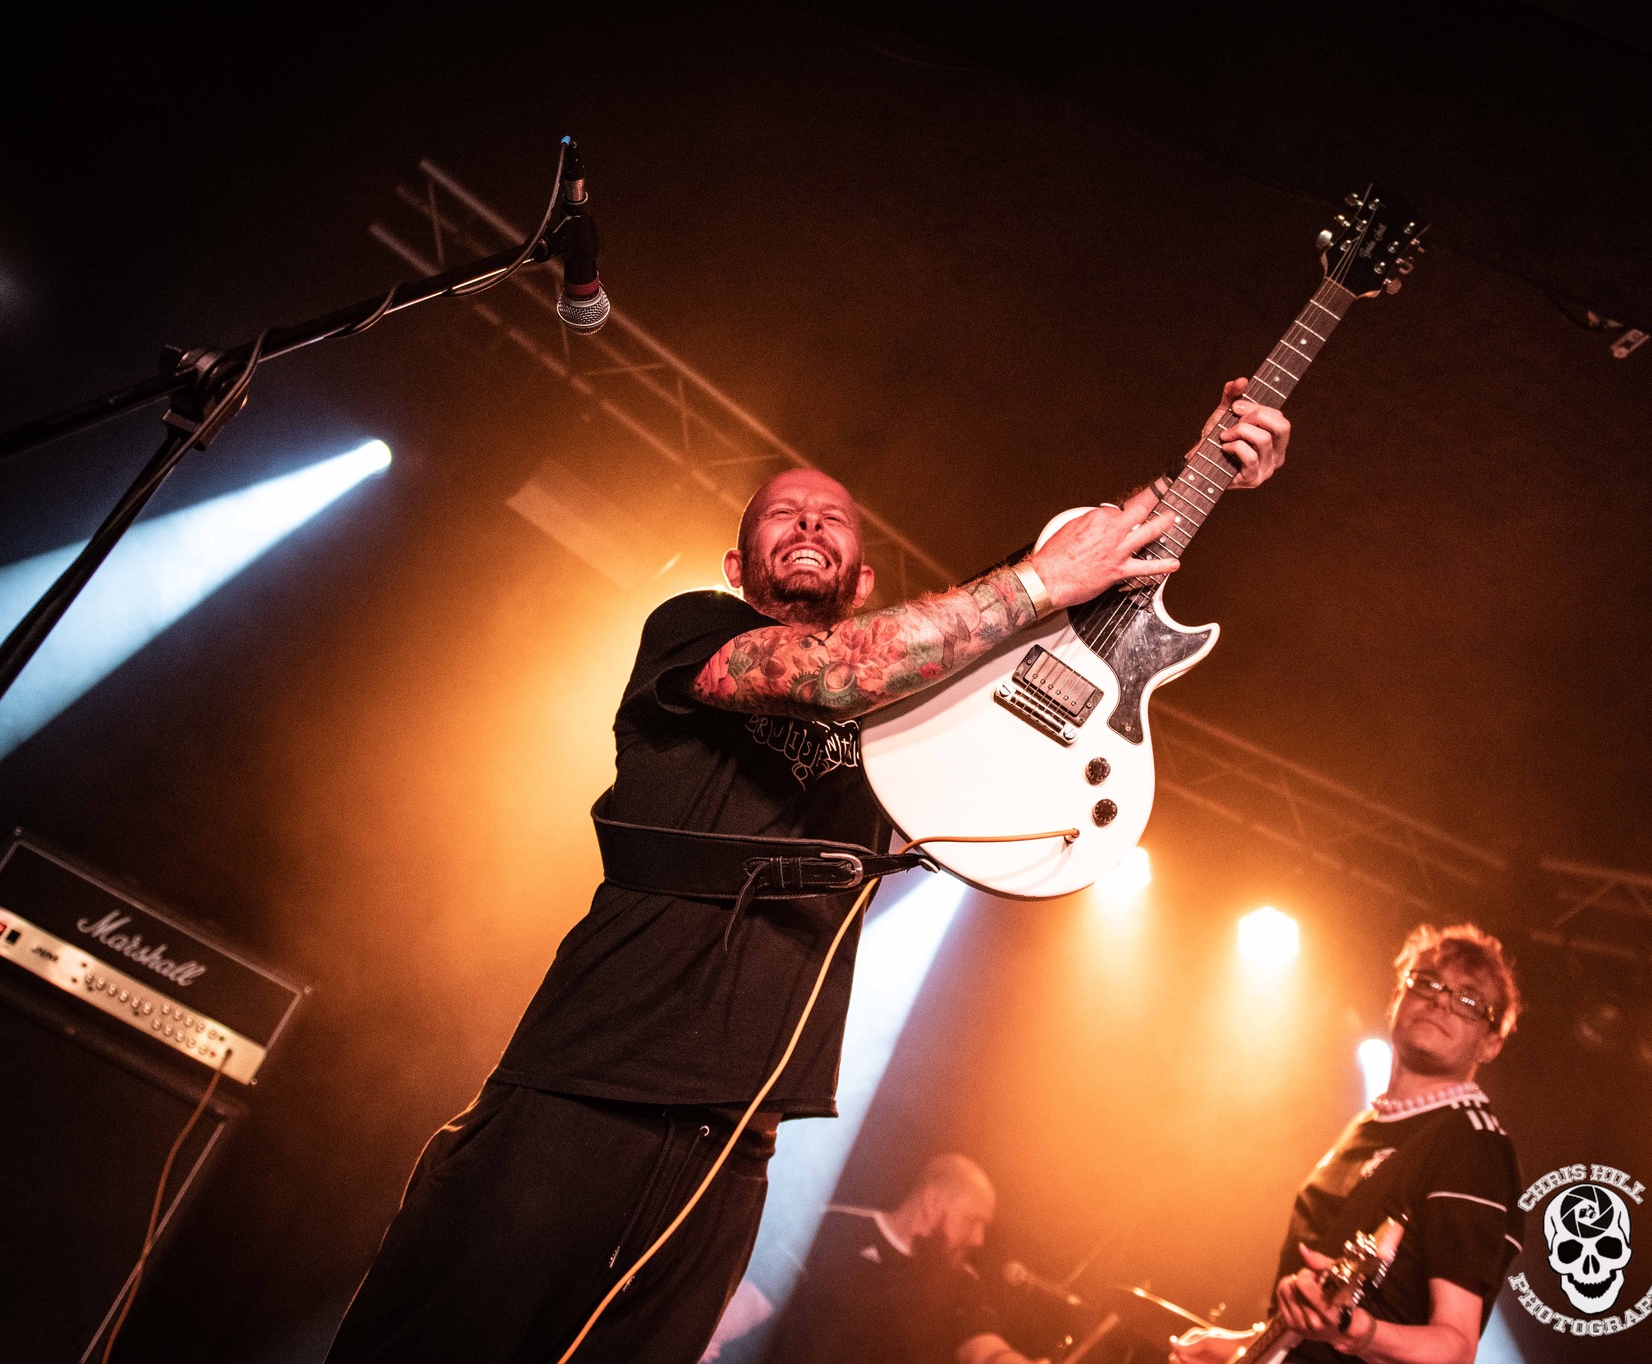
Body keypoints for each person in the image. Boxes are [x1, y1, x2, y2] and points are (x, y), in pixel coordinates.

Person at [324, 380, 1291, 1364]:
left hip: (735, 1143)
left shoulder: (909, 716)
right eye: (780, 512)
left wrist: (1198, 467)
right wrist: (1036, 582)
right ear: (735, 563)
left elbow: (1063, 584)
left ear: (864, 581)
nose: (807, 522)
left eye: (831, 517)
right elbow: (841, 670)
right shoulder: (692, 628)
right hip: (585, 1084)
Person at [1171, 925, 1524, 1364]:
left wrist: (1352, 1329)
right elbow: (1308, 1328)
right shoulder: (1364, 1127)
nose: (1440, 1001)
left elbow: (1454, 1348)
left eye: (1468, 1001)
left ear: (1491, 1044)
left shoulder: (1471, 1143)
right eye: (1427, 982)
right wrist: (1242, 1345)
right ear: (1397, 997)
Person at [725, 1153, 1043, 1364]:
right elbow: (747, 1306)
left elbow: (986, 1350)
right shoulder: (833, 1228)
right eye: (972, 1221)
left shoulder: (962, 1283)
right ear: (933, 1201)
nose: (978, 1239)